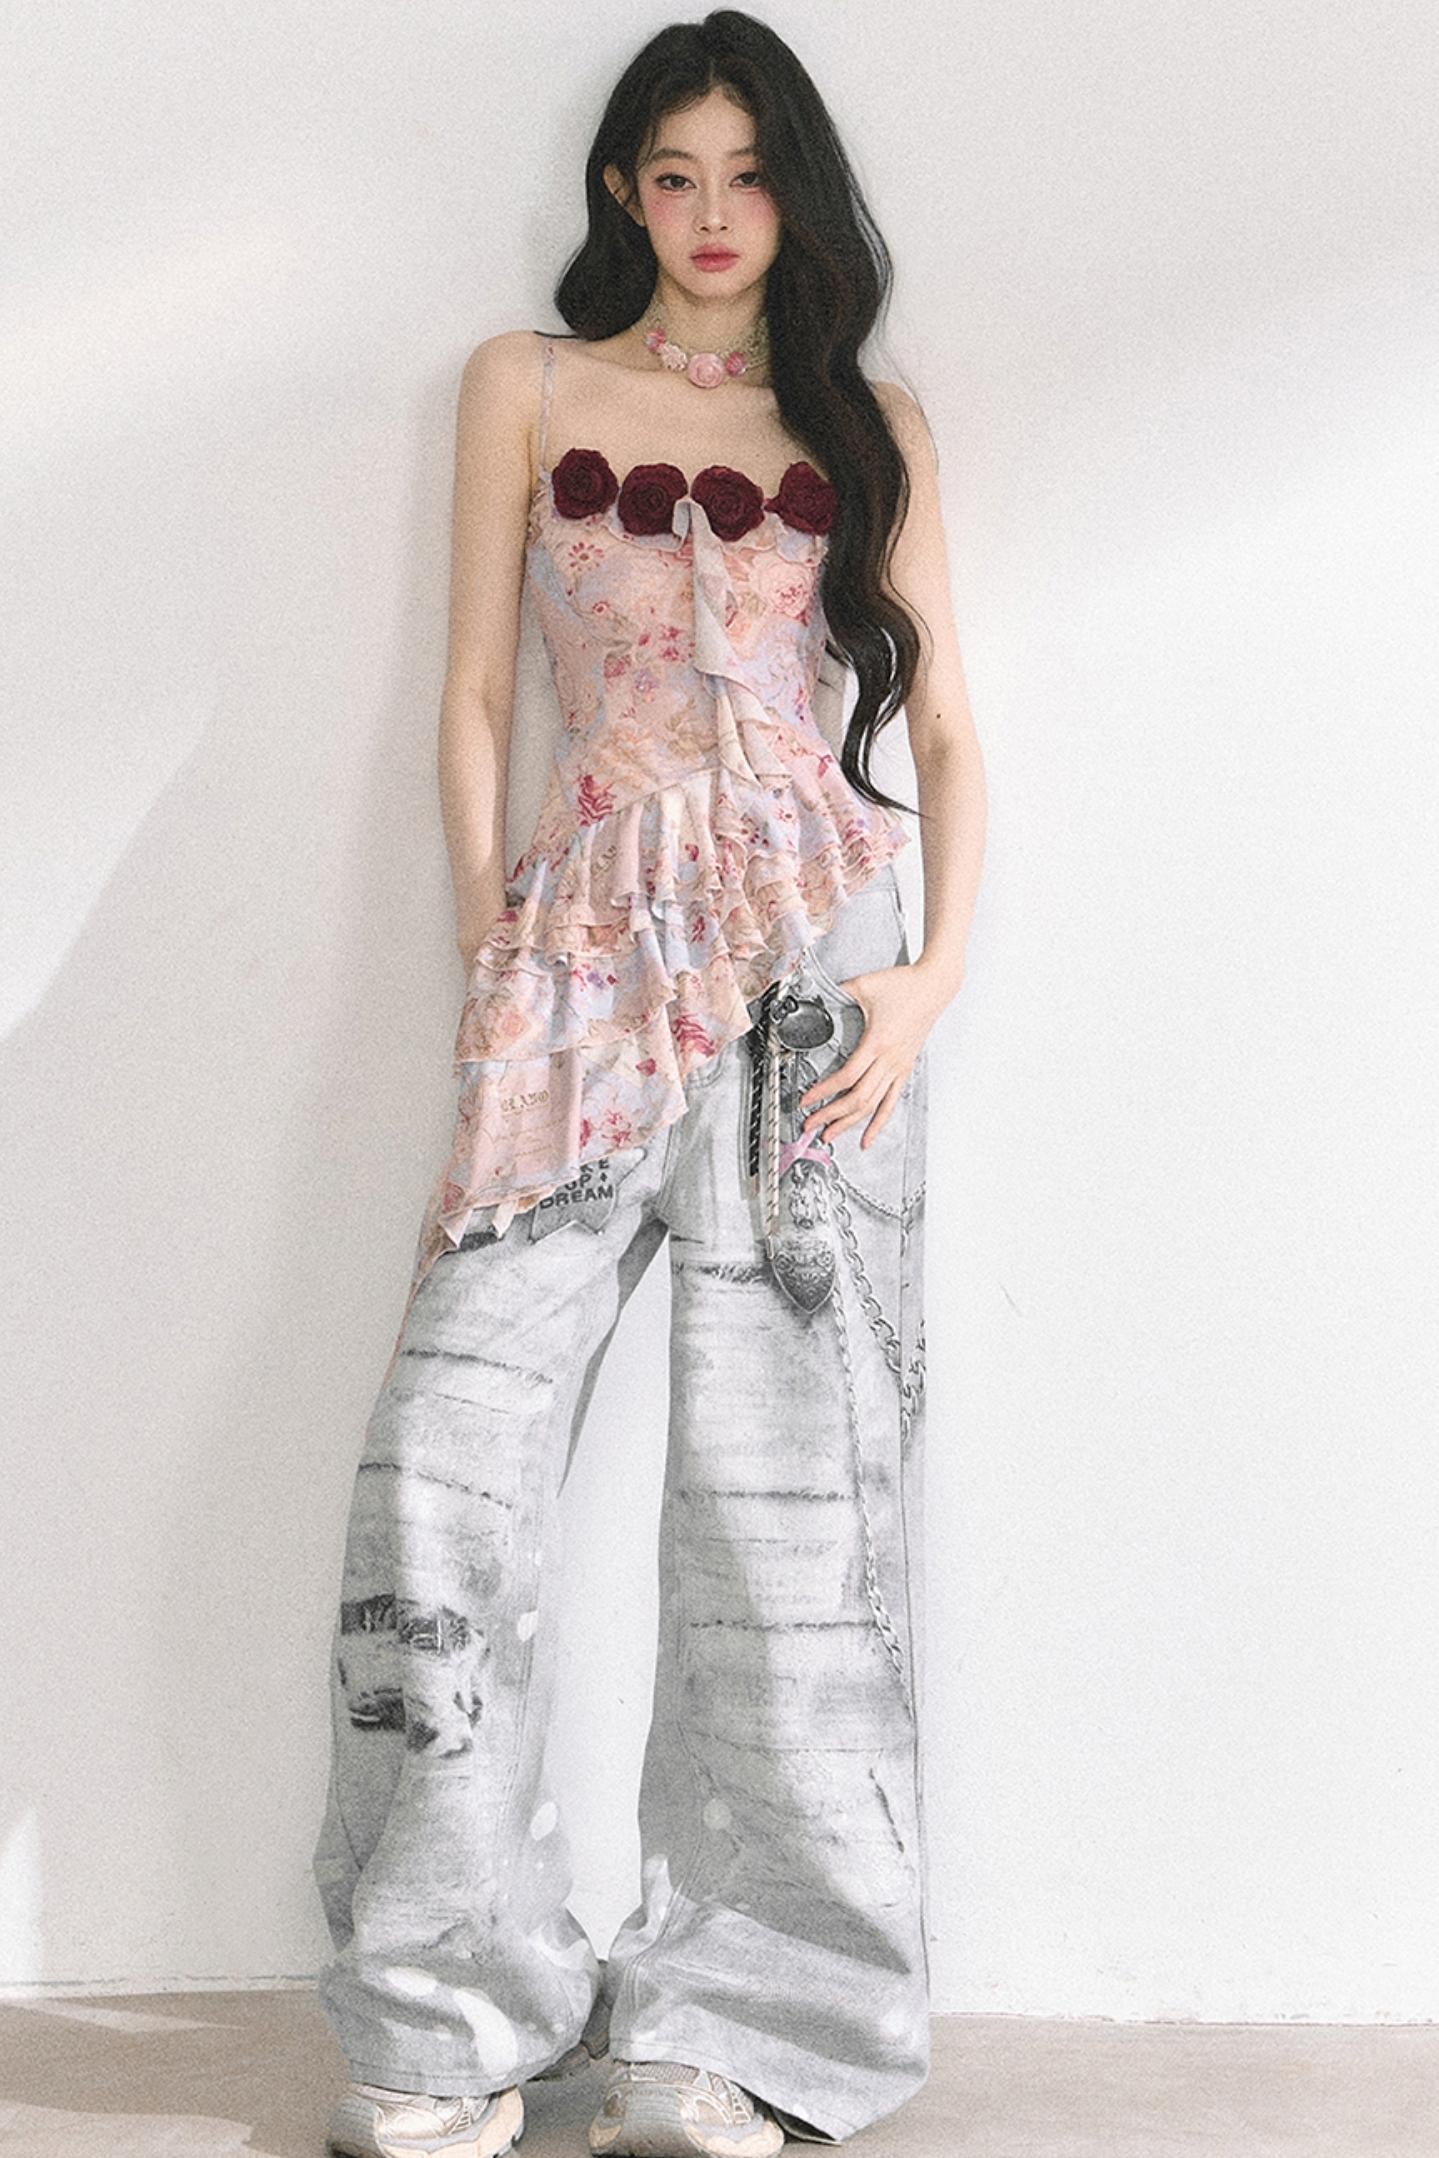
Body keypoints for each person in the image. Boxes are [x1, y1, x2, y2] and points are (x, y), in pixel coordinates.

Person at [311, 13, 985, 2158]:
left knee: (788, 1511)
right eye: (672, 173)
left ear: (797, 194)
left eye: (747, 173)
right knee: (445, 1457)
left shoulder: (867, 422)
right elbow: (471, 692)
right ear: (622, 188)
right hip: (580, 965)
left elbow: (944, 725)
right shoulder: (524, 383)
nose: (711, 213)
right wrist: (492, 947)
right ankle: (448, 2015)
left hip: (817, 984)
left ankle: (745, 2026)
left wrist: (932, 980)